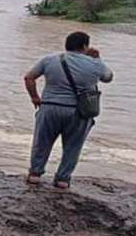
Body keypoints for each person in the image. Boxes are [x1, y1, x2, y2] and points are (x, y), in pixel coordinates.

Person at [24, 31, 113, 189]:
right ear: (85, 46)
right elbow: (108, 77)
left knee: (42, 142)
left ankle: (35, 175)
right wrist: (97, 58)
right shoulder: (94, 64)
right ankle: (62, 180)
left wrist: (35, 98)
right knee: (73, 147)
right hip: (79, 112)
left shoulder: (49, 60)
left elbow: (29, 78)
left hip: (49, 108)